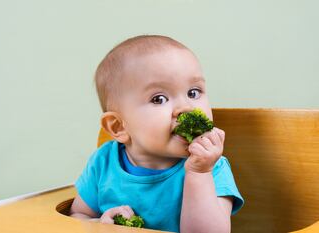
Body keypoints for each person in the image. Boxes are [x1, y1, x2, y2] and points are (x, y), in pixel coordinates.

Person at [69, 35, 244, 233]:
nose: (186, 107)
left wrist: (198, 174)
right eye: (159, 99)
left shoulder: (212, 168)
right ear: (119, 126)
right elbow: (77, 217)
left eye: (194, 93)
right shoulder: (103, 162)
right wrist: (99, 224)